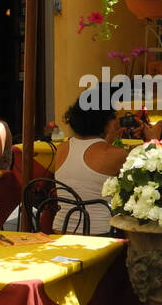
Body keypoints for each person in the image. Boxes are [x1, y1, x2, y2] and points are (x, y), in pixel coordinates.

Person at [54, 92, 156, 234]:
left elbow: (89, 163)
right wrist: (152, 141)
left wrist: (107, 139)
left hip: (61, 228)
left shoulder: (61, 149)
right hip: (100, 233)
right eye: (113, 116)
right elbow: (143, 183)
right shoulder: (115, 154)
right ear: (105, 121)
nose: (117, 120)